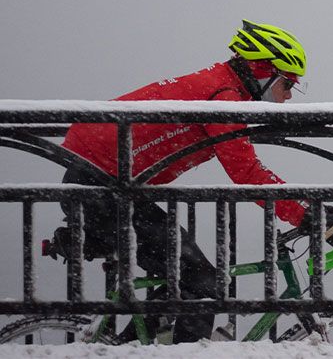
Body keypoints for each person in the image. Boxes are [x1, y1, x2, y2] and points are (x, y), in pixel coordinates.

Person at [59, 20, 311, 343]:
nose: (289, 96)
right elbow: (248, 173)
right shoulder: (223, 97)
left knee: (180, 272)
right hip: (100, 187)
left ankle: (137, 346)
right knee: (203, 282)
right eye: (287, 84)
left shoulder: (223, 87)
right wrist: (308, 213)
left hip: (104, 184)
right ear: (264, 72)